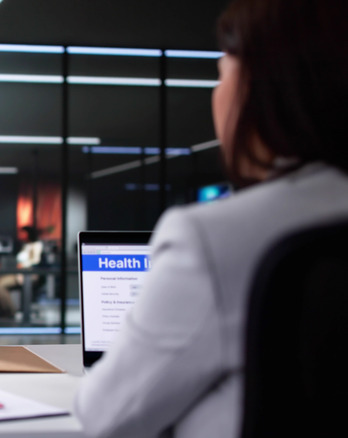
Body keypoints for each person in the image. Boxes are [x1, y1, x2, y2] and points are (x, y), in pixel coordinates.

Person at [73, 0, 348, 436]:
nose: (215, 94)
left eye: (222, 75)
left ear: (261, 90)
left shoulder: (210, 237)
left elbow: (108, 414)